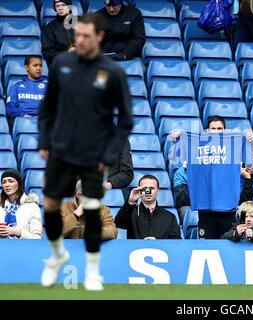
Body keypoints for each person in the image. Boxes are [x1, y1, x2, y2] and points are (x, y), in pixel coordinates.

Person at [38, 13, 133, 291]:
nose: (79, 40)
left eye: (85, 36)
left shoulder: (112, 72)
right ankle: (57, 255)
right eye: (76, 35)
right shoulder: (61, 64)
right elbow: (47, 109)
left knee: (92, 210)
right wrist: (44, 140)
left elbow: (126, 120)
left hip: (93, 154)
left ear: (99, 37)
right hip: (61, 149)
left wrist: (108, 155)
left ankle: (92, 271)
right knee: (51, 207)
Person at [115, 175, 182, 240]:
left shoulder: (169, 217)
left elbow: (176, 241)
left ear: (158, 190)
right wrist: (131, 201)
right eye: (144, 188)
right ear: (139, 190)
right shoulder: (131, 212)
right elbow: (119, 223)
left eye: (152, 188)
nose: (148, 192)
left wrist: (159, 243)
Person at [5, 55, 48, 129]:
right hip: (22, 120)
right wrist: (22, 115)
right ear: (27, 67)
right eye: (35, 65)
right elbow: (10, 108)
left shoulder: (48, 86)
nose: (39, 68)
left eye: (40, 66)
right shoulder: (17, 86)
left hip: (43, 121)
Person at [0, 169, 42, 239]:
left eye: (11, 181)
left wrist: (19, 232)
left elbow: (37, 238)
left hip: (23, 248)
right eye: (4, 182)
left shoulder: (32, 207)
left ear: (19, 184)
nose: (7, 184)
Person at [41, 0, 76, 66]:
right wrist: (66, 54)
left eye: (63, 5)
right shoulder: (50, 27)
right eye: (57, 6)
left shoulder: (80, 23)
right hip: (61, 65)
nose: (60, 8)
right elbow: (47, 52)